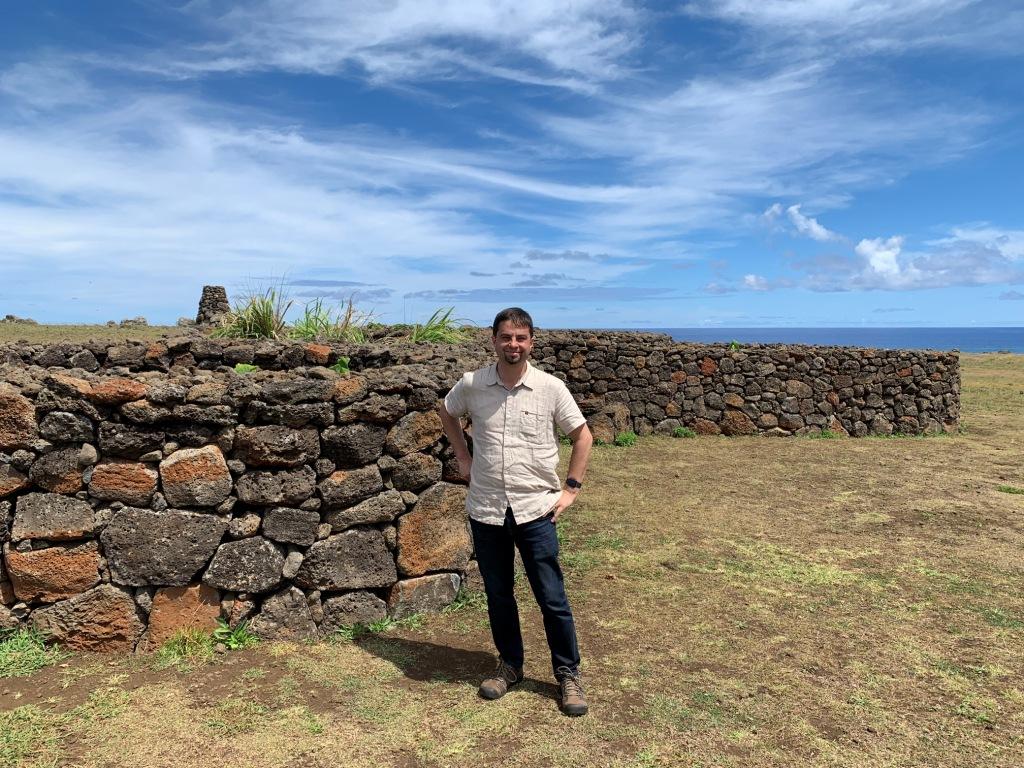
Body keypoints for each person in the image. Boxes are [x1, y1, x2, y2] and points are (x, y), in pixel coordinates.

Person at [438, 307, 594, 717]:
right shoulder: (472, 385)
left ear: (531, 342)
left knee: (552, 596)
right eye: (506, 337)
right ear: (493, 339)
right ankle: (510, 665)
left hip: (535, 508)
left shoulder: (550, 388)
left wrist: (570, 489)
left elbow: (583, 436)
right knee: (499, 594)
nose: (513, 345)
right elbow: (447, 412)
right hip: (487, 507)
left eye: (520, 338)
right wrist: (462, 456)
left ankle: (567, 674)